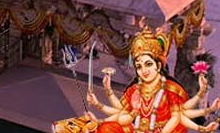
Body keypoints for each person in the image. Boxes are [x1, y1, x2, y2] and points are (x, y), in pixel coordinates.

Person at [85, 28, 218, 133]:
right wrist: (100, 104)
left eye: (148, 64)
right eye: (139, 66)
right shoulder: (134, 89)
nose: (144, 70)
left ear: (158, 66)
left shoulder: (171, 89)